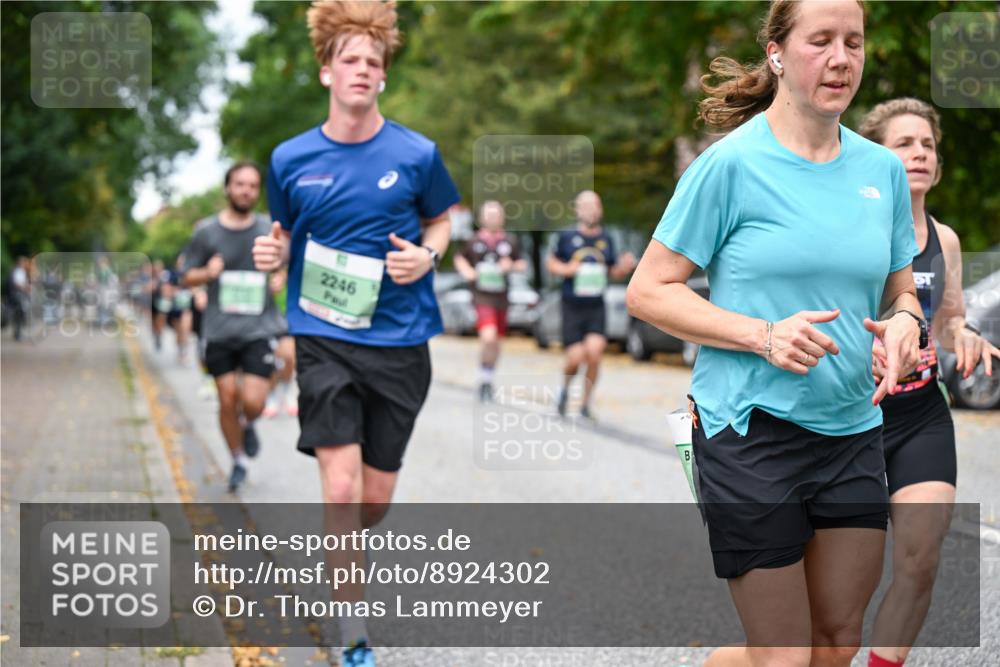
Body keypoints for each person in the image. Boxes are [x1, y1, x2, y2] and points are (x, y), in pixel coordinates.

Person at [626, 2, 925, 665]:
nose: (842, 57)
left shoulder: (881, 173)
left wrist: (906, 322)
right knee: (785, 654)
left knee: (838, 640)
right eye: (821, 41)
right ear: (778, 54)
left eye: (854, 42)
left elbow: (900, 288)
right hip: (747, 431)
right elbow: (648, 290)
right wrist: (764, 335)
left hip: (851, 428)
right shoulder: (730, 166)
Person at [252, 2, 459, 664]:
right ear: (326, 73)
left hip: (400, 341)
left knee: (372, 499)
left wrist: (426, 255)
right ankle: (354, 634)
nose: (363, 70)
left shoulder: (417, 153)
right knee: (339, 489)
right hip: (322, 335)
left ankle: (342, 544)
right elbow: (283, 237)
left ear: (383, 78)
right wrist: (272, 255)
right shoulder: (289, 159)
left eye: (374, 62)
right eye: (350, 60)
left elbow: (442, 224)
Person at [857, 97, 1000, 667]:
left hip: (920, 416)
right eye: (904, 143)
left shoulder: (946, 239)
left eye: (928, 145)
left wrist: (962, 334)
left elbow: (949, 317)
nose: (919, 153)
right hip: (851, 419)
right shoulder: (853, 230)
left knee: (920, 560)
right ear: (876, 158)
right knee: (846, 587)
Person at [182, 161, 287, 492]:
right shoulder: (207, 231)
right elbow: (185, 276)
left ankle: (248, 421)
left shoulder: (269, 228)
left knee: (253, 401)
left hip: (259, 328)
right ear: (227, 187)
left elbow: (287, 266)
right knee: (227, 397)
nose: (246, 191)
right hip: (220, 329)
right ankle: (238, 459)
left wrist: (279, 278)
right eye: (240, 184)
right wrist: (206, 273)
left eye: (253, 186)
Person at [546, 190, 635, 419]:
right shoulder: (566, 237)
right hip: (572, 306)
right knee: (575, 358)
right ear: (577, 209)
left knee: (595, 354)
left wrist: (623, 268)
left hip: (596, 305)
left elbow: (612, 270)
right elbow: (551, 263)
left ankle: (585, 403)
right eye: (586, 205)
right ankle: (565, 391)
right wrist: (567, 269)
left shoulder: (607, 239)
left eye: (596, 205)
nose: (592, 209)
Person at [453, 200, 527, 402]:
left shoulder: (509, 241)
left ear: (502, 217)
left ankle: (487, 378)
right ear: (482, 218)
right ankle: (484, 378)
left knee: (496, 342)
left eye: (496, 214)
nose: (493, 218)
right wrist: (467, 271)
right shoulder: (473, 240)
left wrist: (510, 265)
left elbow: (522, 264)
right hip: (481, 295)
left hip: (501, 297)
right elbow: (459, 258)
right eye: (489, 214)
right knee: (489, 337)